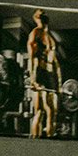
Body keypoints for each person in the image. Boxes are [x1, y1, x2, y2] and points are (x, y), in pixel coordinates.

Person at [27, 9, 62, 138]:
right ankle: (36, 140)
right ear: (36, 18)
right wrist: (33, 80)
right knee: (40, 111)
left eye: (44, 15)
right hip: (40, 73)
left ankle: (50, 137)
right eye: (40, 15)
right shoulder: (35, 33)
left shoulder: (51, 39)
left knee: (53, 111)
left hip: (50, 75)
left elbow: (56, 63)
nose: (43, 18)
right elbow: (32, 58)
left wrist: (59, 83)